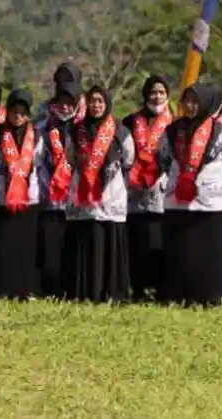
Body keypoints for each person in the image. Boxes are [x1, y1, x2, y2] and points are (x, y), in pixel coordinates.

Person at [157, 82, 222, 306]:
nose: (191, 106)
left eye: (196, 101)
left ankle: (211, 295)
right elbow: (162, 158)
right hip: (179, 200)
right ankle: (179, 293)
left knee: (211, 251)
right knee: (182, 249)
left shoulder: (221, 131)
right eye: (187, 101)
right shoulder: (172, 130)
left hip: (212, 201)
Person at [62, 86, 133, 302]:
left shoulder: (120, 130)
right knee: (86, 237)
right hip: (83, 192)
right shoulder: (76, 130)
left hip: (111, 192)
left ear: (107, 103)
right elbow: (70, 156)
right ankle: (84, 291)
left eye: (101, 101)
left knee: (109, 238)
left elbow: (129, 158)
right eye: (93, 101)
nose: (96, 105)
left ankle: (112, 292)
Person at [0, 89, 42, 299]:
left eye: (23, 112)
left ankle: (24, 290)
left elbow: (41, 163)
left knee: (24, 247)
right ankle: (0, 289)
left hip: (28, 198)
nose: (18, 116)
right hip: (0, 198)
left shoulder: (37, 134)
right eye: (14, 111)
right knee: (2, 246)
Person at [122, 75, 172, 301]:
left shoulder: (175, 122)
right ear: (145, 95)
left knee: (160, 241)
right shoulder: (130, 121)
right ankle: (138, 287)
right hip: (134, 191)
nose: (157, 96)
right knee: (137, 242)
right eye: (153, 92)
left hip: (162, 189)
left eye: (161, 92)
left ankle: (160, 287)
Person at [35, 82, 80, 299]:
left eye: (69, 104)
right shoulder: (43, 129)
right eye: (60, 103)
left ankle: (71, 289)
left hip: (76, 198)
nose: (64, 108)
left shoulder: (82, 128)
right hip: (50, 197)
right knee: (50, 248)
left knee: (72, 248)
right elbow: (37, 161)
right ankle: (50, 289)